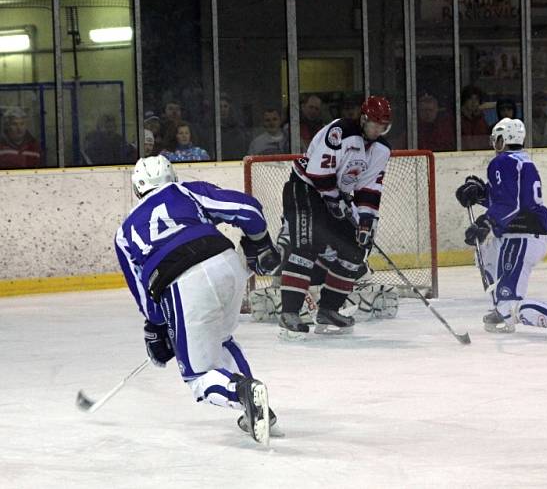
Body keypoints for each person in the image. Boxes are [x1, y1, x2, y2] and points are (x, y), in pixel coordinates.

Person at [114, 155, 283, 445]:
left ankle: (243, 392)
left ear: (136, 188)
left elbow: (145, 298)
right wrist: (261, 244)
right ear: (172, 176)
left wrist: (159, 328)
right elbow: (247, 209)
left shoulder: (124, 233)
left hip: (183, 282)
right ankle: (258, 409)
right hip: (227, 266)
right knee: (220, 337)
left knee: (197, 376)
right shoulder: (185, 192)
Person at [454, 118, 547, 339]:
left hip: (521, 235)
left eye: (496, 138)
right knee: (484, 256)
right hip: (523, 233)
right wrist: (481, 195)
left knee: (510, 308)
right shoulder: (521, 160)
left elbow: (509, 204)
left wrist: (486, 222)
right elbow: (513, 198)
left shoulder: (503, 162)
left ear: (504, 139)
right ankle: (503, 306)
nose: (493, 143)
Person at [276, 95, 393, 338]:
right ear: (363, 119)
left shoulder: (382, 150)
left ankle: (329, 309)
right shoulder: (341, 131)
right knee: (306, 246)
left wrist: (365, 222)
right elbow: (318, 172)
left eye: (383, 126)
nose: (377, 130)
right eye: (374, 124)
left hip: (335, 195)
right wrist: (335, 200)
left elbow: (369, 189)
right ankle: (290, 313)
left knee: (355, 249)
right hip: (305, 187)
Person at [220, 95, 250, 160]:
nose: (222, 109)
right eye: (220, 107)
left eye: (225, 106)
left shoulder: (238, 129)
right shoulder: (212, 130)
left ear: (230, 108)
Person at [460, 85, 490, 150]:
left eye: (476, 99)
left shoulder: (481, 120)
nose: (474, 102)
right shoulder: (457, 120)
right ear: (464, 100)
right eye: (470, 98)